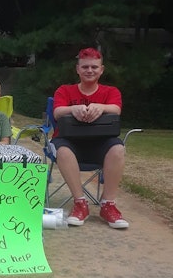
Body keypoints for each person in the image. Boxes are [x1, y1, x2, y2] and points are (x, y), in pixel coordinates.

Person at [51, 47, 129, 229]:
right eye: (85, 67)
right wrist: (72, 109)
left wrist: (100, 107)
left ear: (101, 69)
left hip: (99, 142)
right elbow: (57, 112)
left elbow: (116, 110)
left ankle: (108, 204)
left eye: (94, 67)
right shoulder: (65, 90)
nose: (89, 71)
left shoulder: (111, 92)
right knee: (62, 150)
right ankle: (80, 203)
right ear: (77, 69)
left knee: (117, 148)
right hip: (69, 141)